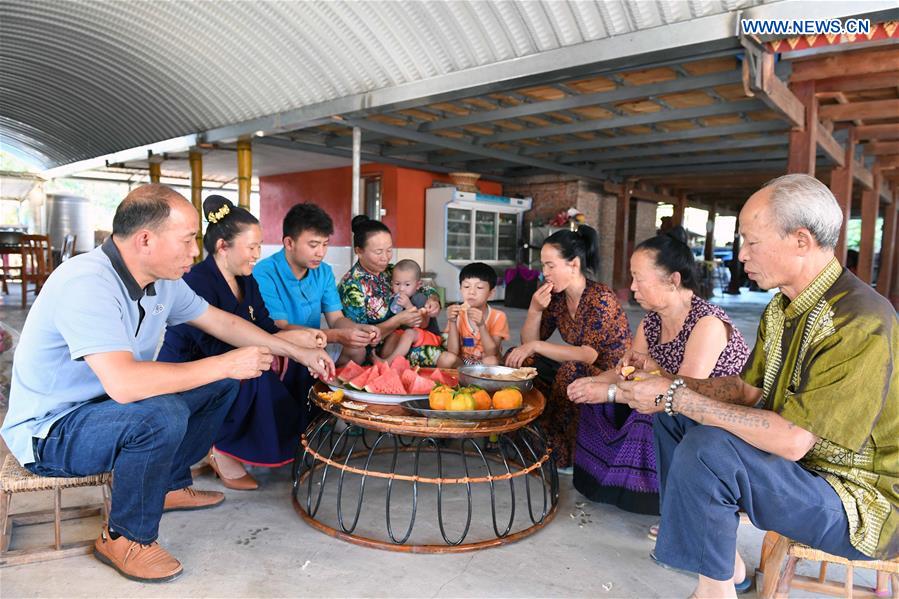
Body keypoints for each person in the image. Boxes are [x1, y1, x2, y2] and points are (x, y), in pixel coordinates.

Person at [0, 184, 334, 583]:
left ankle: (169, 485)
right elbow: (124, 384)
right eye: (188, 239)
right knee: (163, 411)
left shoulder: (163, 281)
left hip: (106, 411)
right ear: (146, 239)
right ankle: (126, 537)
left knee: (222, 386)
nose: (196, 251)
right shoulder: (87, 282)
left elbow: (224, 323)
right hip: (52, 431)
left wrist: (296, 352)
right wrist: (224, 363)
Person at [618, 174, 898, 598]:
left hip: (852, 498)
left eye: (752, 241)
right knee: (672, 419)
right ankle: (723, 566)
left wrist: (678, 395)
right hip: (802, 472)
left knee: (708, 448)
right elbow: (747, 390)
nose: (741, 255)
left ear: (801, 241)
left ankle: (714, 589)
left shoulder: (860, 321)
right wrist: (666, 386)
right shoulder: (782, 307)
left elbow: (792, 442)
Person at [566, 232, 750, 518]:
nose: (632, 287)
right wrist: (595, 383)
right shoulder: (652, 322)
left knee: (648, 413)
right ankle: (607, 484)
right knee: (593, 400)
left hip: (708, 418)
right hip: (667, 400)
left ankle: (658, 497)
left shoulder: (707, 323)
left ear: (673, 280)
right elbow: (626, 371)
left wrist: (611, 391)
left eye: (639, 278)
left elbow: (680, 394)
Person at [158, 196, 328, 490]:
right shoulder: (197, 281)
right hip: (196, 367)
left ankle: (290, 444)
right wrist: (290, 345)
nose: (257, 255)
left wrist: (300, 341)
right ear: (223, 246)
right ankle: (222, 447)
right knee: (255, 371)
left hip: (235, 355)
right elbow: (219, 344)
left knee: (300, 368)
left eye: (259, 246)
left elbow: (261, 328)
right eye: (252, 247)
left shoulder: (247, 280)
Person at [505, 225, 631, 472]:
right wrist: (535, 309)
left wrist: (536, 345)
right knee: (518, 359)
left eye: (550, 265)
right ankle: (530, 436)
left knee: (571, 370)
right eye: (543, 266)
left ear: (573, 265)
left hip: (612, 374)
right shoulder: (558, 298)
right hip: (582, 366)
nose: (545, 273)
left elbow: (587, 355)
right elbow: (528, 343)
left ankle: (564, 455)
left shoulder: (600, 298)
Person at [253, 203, 381, 366]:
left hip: (318, 344)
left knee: (356, 349)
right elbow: (281, 327)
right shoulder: (265, 272)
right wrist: (337, 335)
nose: (321, 252)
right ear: (289, 243)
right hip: (281, 348)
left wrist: (358, 329)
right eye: (313, 245)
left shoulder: (324, 271)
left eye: (325, 244)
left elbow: (336, 319)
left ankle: (330, 387)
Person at [338, 215, 442, 367]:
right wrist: (399, 320)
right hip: (374, 351)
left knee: (421, 300)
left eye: (389, 250)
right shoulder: (351, 287)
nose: (385, 258)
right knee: (439, 359)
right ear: (359, 251)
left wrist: (433, 299)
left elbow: (423, 285)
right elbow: (360, 337)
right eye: (378, 252)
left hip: (405, 338)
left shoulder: (390, 271)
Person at [437, 262, 509, 367]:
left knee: (491, 361)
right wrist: (452, 321)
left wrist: (481, 325)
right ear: (460, 289)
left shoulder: (498, 316)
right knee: (446, 358)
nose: (471, 292)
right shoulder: (457, 314)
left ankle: (482, 383)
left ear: (491, 293)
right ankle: (448, 382)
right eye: (466, 286)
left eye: (479, 287)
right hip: (463, 363)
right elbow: (453, 351)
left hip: (485, 364)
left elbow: (492, 352)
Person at [377, 259, 443, 362]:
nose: (401, 289)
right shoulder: (394, 299)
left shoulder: (420, 298)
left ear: (418, 285)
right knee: (393, 334)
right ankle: (385, 358)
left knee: (409, 333)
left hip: (430, 336)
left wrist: (408, 305)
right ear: (391, 283)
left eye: (407, 285)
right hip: (407, 335)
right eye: (397, 284)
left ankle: (388, 362)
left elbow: (423, 324)